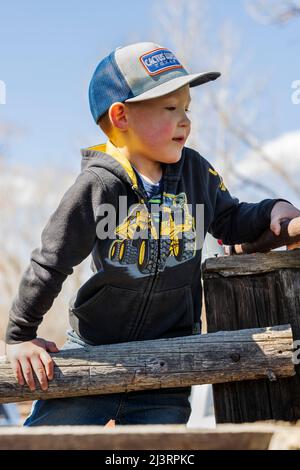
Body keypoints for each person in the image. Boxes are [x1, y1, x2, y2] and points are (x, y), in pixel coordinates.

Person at [5, 42, 300, 426]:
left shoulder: (195, 172)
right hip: (96, 350)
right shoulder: (98, 185)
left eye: (186, 109)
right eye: (169, 108)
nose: (185, 121)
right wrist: (20, 335)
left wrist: (272, 209)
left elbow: (230, 220)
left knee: (159, 448)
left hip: (170, 355)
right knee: (47, 440)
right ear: (121, 116)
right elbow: (51, 260)